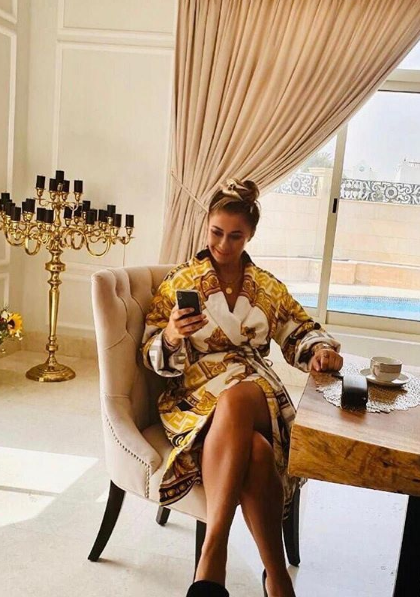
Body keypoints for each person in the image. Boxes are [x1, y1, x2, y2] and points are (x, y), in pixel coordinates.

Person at [141, 179, 343, 597]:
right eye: (216, 232)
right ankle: (277, 578)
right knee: (255, 451)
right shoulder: (183, 281)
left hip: (257, 390)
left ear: (250, 235)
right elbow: (150, 351)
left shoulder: (266, 286)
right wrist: (174, 334)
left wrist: (320, 350)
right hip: (194, 397)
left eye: (235, 236)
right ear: (206, 226)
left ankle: (212, 552)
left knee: (238, 396)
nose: (223, 244)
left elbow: (300, 330)